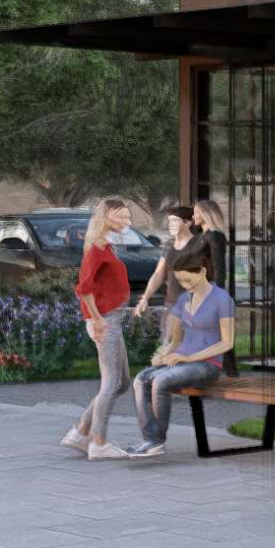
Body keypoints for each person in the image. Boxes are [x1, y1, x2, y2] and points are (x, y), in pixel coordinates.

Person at [119, 244, 236, 460]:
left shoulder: (222, 300)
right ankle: (150, 439)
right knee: (141, 379)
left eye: (187, 280)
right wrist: (163, 353)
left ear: (201, 271)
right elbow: (175, 339)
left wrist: (188, 357)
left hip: (207, 365)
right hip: (181, 360)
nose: (184, 285)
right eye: (180, 281)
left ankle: (155, 441)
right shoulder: (184, 300)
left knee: (160, 382)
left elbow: (227, 343)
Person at [65, 197, 137, 459]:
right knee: (111, 383)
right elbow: (84, 289)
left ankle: (81, 430)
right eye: (123, 217)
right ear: (107, 217)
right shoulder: (96, 248)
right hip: (106, 321)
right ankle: (98, 442)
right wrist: (97, 319)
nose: (128, 222)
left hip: (111, 318)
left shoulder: (105, 247)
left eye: (129, 217)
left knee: (122, 382)